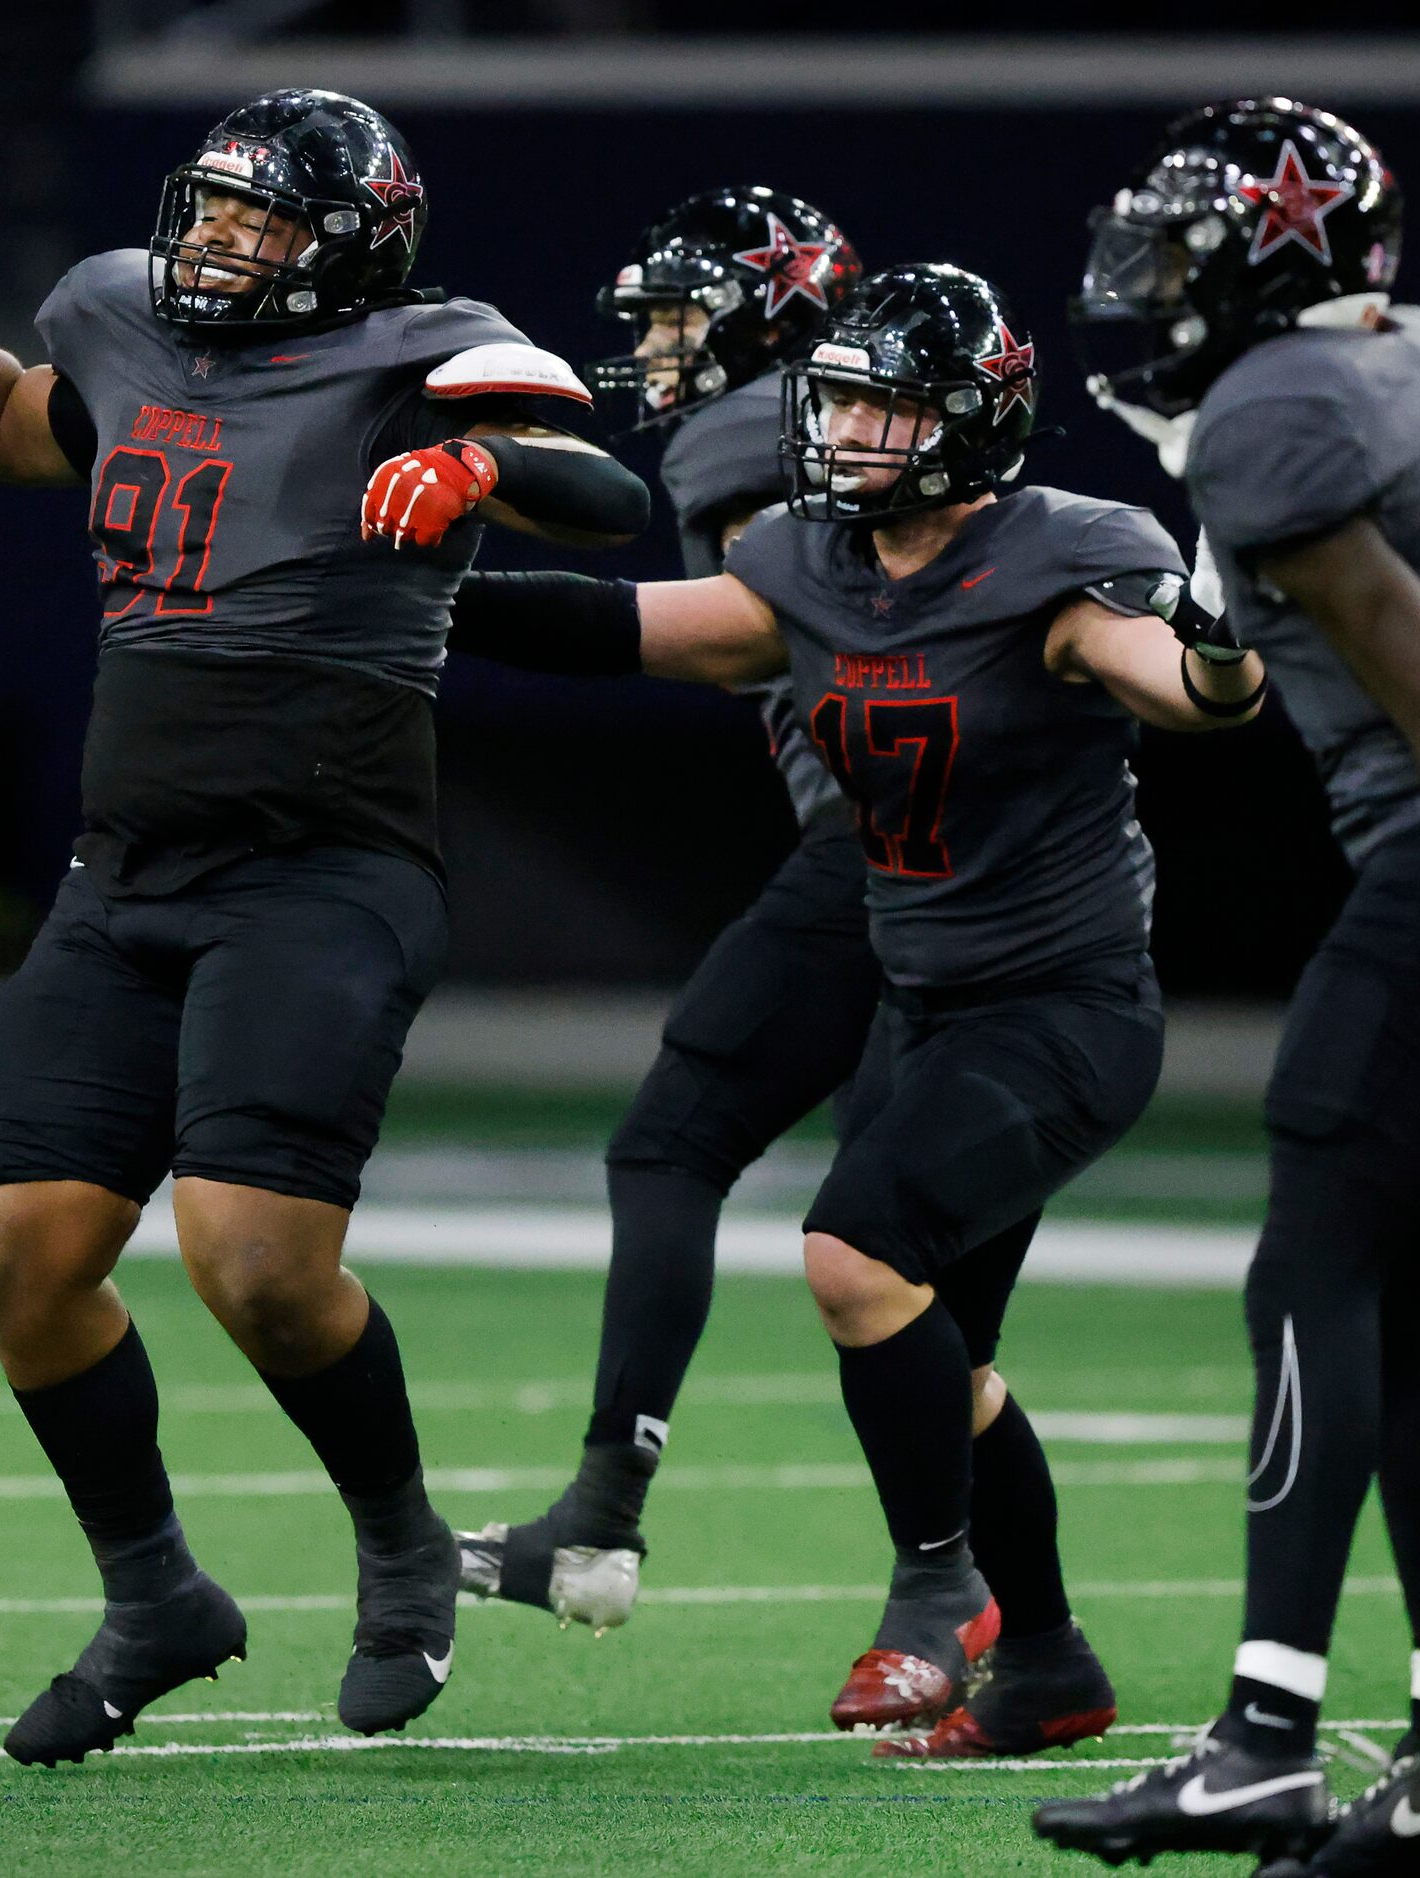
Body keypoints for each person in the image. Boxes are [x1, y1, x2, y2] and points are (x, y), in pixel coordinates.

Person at [0, 88, 647, 1764]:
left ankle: (405, 1538)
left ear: (347, 249)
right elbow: (28, 425)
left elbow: (600, 492)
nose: (211, 243)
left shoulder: (426, 348)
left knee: (258, 1264)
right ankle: (156, 1597)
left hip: (322, 866)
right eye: (203, 209)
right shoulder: (122, 314)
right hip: (123, 870)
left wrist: (474, 459)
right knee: (23, 1252)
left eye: (255, 222)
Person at [442, 261, 1268, 1759]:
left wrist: (1217, 647)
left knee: (853, 1253)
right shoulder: (812, 565)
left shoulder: (1059, 558)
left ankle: (939, 1594)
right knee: (945, 1358)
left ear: (966, 420)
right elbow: (645, 625)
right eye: (845, 403)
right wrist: (432, 595)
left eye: (888, 407)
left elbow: (1180, 686)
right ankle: (1054, 1665)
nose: (851, 435)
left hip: (1065, 1009)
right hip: (926, 1003)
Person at [1034, 100, 1420, 1874]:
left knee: (1308, 1266)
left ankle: (1262, 1736)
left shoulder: (1281, 409)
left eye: (1199, 241)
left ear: (1281, 250)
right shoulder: (1397, 360)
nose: (1162, 272)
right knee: (1399, 1294)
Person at [453, 185, 870, 1637]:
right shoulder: (863, 417)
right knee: (897, 1256)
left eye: (682, 313)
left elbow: (751, 628)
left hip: (886, 854)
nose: (657, 343)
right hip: (1000, 868)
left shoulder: (755, 427)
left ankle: (604, 1517)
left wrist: (442, 596)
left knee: (676, 1143)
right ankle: (980, 1602)